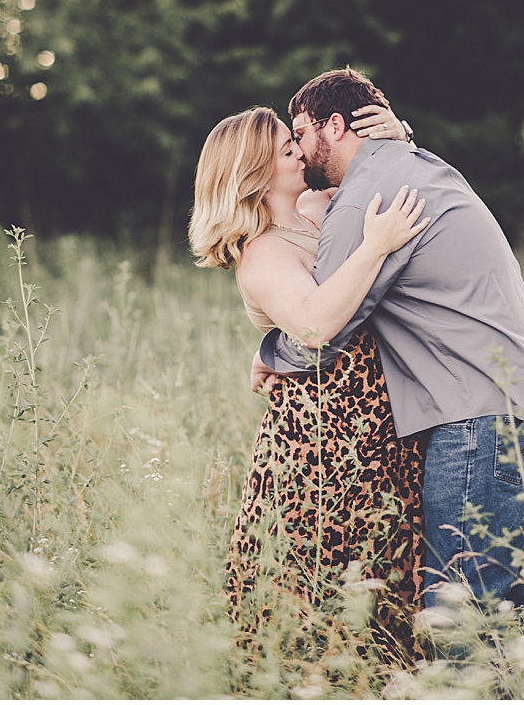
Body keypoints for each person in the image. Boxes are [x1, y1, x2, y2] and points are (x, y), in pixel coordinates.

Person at [255, 68, 524, 616]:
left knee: (461, 613)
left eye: (302, 132)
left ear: (333, 127)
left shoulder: (364, 203)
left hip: (484, 417)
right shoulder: (420, 164)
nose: (300, 149)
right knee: (497, 603)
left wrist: (269, 355)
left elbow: (324, 332)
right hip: (522, 403)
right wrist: (403, 134)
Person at [191, 101, 430, 658]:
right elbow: (317, 325)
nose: (300, 150)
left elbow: (391, 176)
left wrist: (400, 134)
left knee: (389, 579)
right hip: (317, 447)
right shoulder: (262, 254)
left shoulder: (320, 208)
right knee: (316, 596)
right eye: (285, 147)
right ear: (253, 173)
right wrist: (375, 245)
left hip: (377, 430)